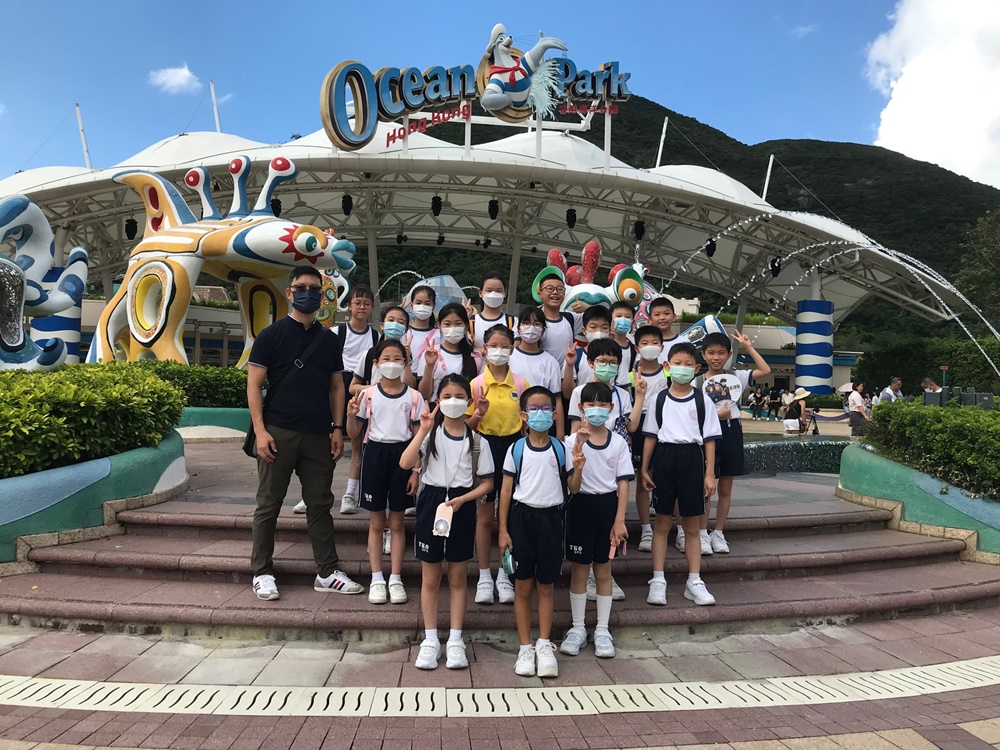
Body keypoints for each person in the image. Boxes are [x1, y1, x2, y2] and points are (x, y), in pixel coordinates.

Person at [246, 266, 363, 601]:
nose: (308, 293)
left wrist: (338, 428)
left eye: (314, 288)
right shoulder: (270, 336)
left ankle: (327, 571)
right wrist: (260, 430)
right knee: (268, 504)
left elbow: (337, 387)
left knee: (320, 504)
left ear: (322, 295)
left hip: (317, 434)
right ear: (289, 292)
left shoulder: (329, 340)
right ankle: (262, 572)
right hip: (278, 432)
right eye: (301, 287)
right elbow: (254, 385)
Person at [400, 375, 494, 670]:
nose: (453, 401)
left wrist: (465, 499)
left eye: (460, 396)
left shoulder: (477, 441)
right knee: (430, 577)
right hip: (432, 503)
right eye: (447, 396)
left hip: (461, 506)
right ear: (438, 401)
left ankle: (455, 639)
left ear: (469, 402)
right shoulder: (430, 435)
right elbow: (405, 463)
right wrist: (423, 430)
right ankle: (430, 639)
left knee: (457, 576)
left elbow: (487, 483)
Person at [641, 341, 722, 608]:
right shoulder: (659, 399)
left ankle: (694, 581)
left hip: (692, 460)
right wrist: (645, 468)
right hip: (664, 459)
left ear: (697, 369)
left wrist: (709, 474)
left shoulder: (703, 400)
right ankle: (658, 579)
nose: (682, 368)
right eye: (677, 364)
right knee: (662, 523)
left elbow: (710, 439)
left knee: (691, 526)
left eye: (688, 365)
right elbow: (651, 436)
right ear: (667, 366)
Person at [498, 386, 570, 678]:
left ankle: (544, 643)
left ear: (555, 414)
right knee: (522, 586)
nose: (541, 414)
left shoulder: (560, 448)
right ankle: (525, 647)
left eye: (546, 408)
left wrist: (578, 466)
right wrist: (503, 530)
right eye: (534, 409)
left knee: (546, 585)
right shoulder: (516, 449)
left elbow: (573, 487)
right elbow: (505, 491)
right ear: (523, 415)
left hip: (551, 520)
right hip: (521, 520)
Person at [347, 339, 425, 605]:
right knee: (377, 522)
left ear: (405, 363)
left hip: (403, 457)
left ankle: (396, 577)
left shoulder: (414, 397)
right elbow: (354, 434)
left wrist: (416, 471)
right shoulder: (367, 395)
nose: (392, 364)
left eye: (398, 359)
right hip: (375, 456)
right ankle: (377, 578)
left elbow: (418, 437)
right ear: (376, 363)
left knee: (398, 522)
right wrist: (351, 415)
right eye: (386, 359)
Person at [560, 382, 632, 660]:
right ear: (581, 408)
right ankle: (578, 628)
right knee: (580, 571)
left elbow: (623, 483)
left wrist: (619, 520)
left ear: (611, 408)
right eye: (591, 404)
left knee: (603, 571)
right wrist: (578, 462)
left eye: (603, 404)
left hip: (607, 508)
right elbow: (573, 487)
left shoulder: (618, 443)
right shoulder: (571, 442)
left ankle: (602, 629)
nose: (597, 409)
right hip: (580, 506)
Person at [292, 285, 378, 517]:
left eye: (366, 303)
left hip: (362, 390)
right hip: (336, 386)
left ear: (372, 308)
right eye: (357, 302)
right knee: (324, 444)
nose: (361, 307)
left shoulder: (377, 337)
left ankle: (350, 494)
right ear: (348, 306)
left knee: (358, 444)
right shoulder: (334, 333)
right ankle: (312, 494)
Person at [465, 324, 526, 606]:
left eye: (504, 346)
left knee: (509, 515)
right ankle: (484, 576)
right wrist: (479, 414)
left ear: (512, 349)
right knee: (485, 516)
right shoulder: (476, 384)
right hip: (485, 448)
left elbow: (526, 424)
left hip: (513, 448)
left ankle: (504, 573)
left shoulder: (521, 384)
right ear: (484, 348)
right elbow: (466, 426)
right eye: (493, 346)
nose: (498, 351)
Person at [698, 331, 771, 555]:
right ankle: (702, 532)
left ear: (729, 355)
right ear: (703, 354)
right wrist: (715, 415)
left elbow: (765, 370)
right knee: (705, 487)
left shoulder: (736, 376)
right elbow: (692, 414)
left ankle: (719, 532)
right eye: (711, 353)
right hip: (706, 434)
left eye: (721, 353)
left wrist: (748, 346)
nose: (716, 357)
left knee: (726, 486)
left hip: (731, 431)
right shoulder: (697, 381)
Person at [628, 326, 671, 553]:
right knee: (642, 476)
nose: (650, 347)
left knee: (665, 476)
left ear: (662, 347)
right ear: (637, 348)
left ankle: (677, 528)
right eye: (644, 343)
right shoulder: (631, 376)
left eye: (655, 342)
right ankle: (646, 529)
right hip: (639, 426)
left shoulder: (669, 373)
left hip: (665, 425)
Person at [509, 306, 566, 436]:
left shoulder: (551, 362)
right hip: (511, 424)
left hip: (542, 425)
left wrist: (560, 434)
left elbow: (557, 399)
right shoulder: (508, 358)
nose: (531, 328)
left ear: (543, 330)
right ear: (518, 328)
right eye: (526, 323)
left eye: (537, 324)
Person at [417, 303, 482, 402]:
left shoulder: (475, 357)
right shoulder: (431, 354)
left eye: (458, 323)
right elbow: (424, 395)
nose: (453, 328)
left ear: (466, 327)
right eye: (447, 324)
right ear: (440, 327)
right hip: (436, 410)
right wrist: (429, 366)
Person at [562, 305, 613, 395]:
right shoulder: (575, 357)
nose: (599, 331)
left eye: (604, 328)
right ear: (584, 330)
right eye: (593, 327)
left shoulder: (615, 357)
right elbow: (567, 394)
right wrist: (569, 366)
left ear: (609, 330)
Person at [536, 272, 582, 367]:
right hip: (541, 373)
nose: (555, 292)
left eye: (560, 289)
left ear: (564, 294)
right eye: (550, 288)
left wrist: (586, 307)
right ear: (540, 294)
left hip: (567, 375)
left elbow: (600, 315)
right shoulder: (534, 320)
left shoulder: (571, 319)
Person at [471, 272, 518, 349]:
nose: (493, 294)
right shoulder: (471, 322)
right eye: (489, 290)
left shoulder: (513, 322)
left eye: (498, 291)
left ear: (505, 293)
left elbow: (515, 350)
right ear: (480, 293)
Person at [405, 285, 440, 375]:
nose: (422, 306)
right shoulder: (404, 332)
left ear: (433, 306)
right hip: (406, 378)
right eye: (418, 303)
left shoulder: (440, 334)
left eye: (427, 304)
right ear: (411, 304)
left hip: (429, 378)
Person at [647, 297, 689, 364]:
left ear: (674, 317)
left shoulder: (684, 342)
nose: (662, 318)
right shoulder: (645, 343)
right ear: (650, 319)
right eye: (657, 315)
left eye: (666, 313)